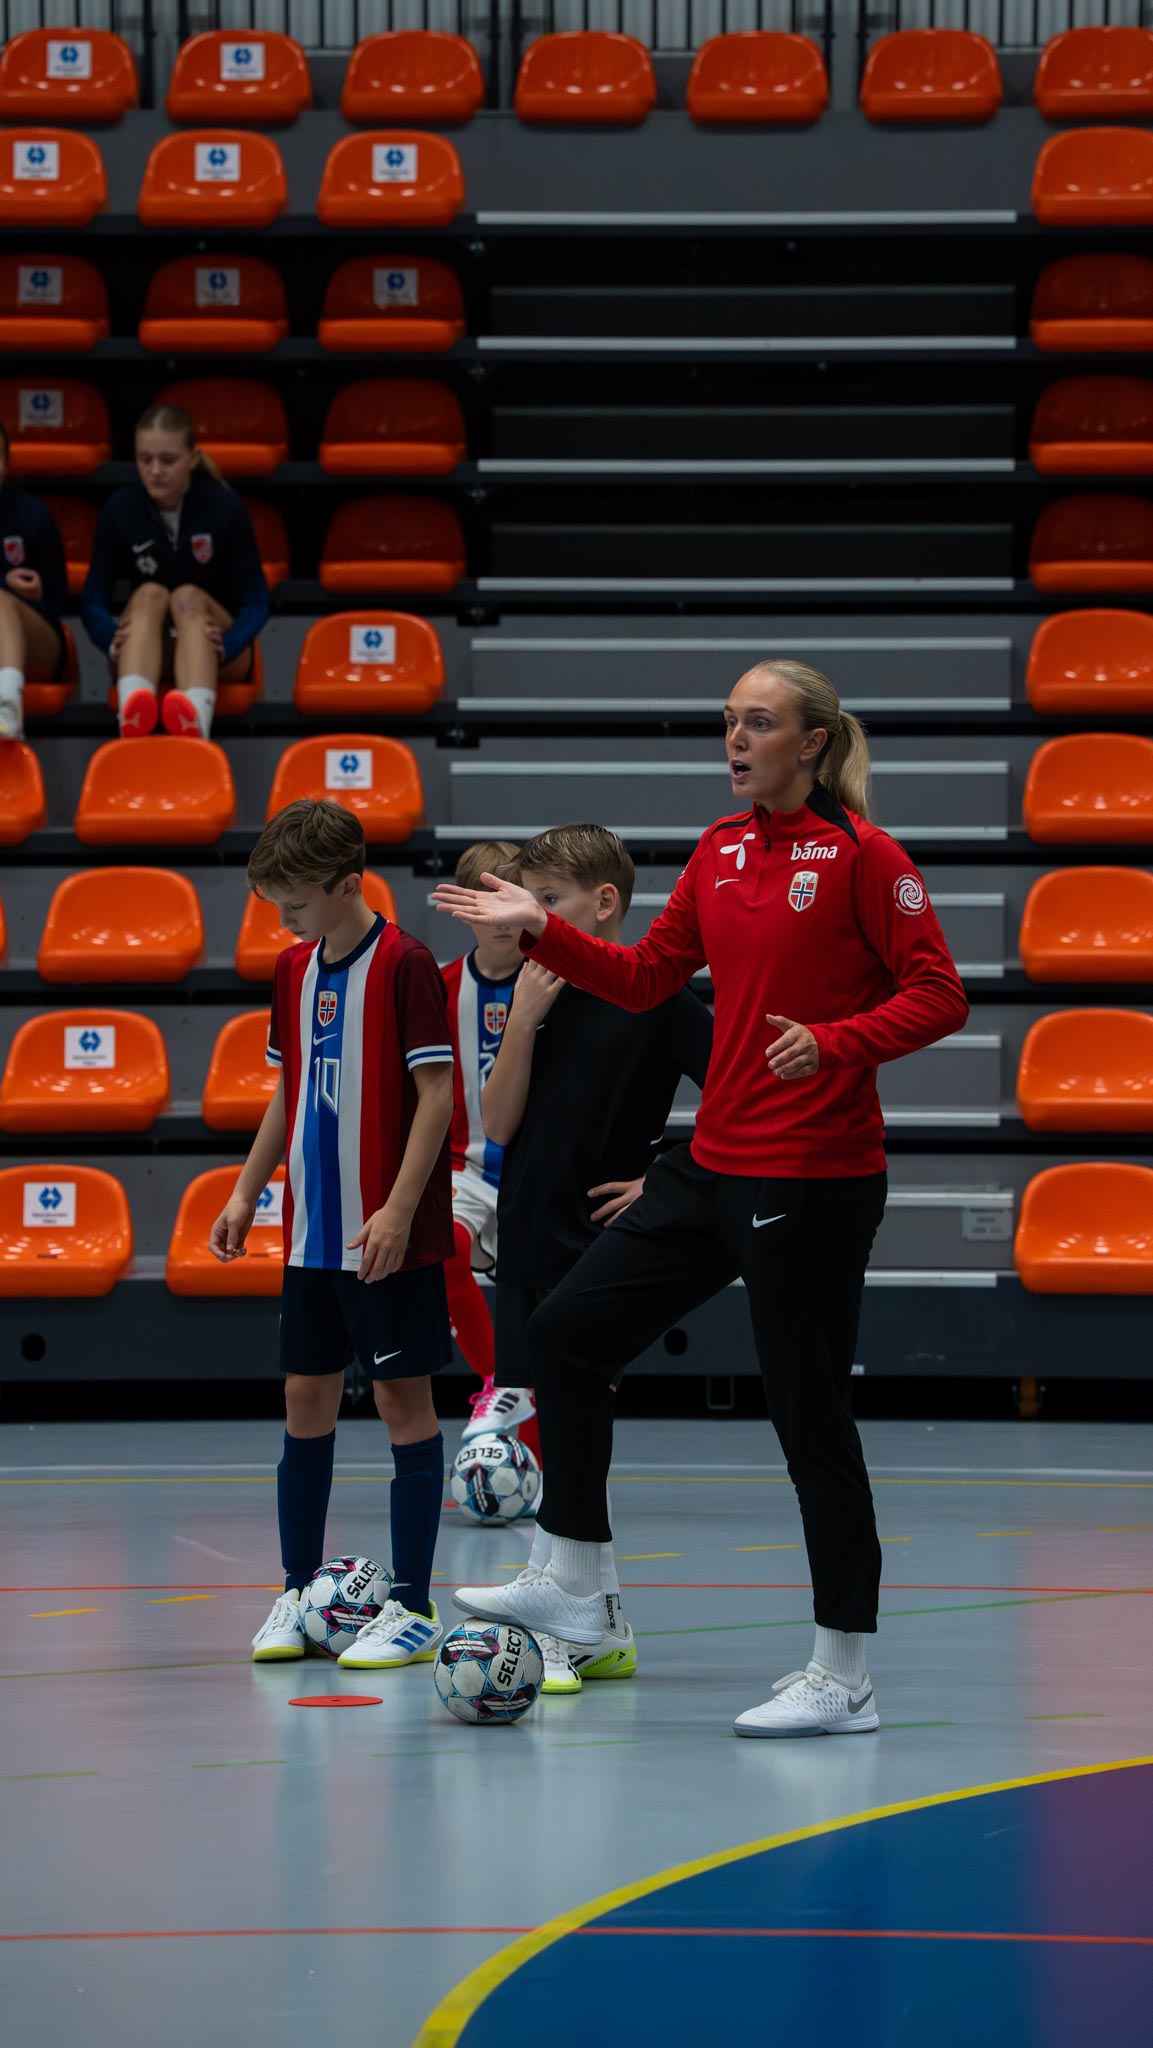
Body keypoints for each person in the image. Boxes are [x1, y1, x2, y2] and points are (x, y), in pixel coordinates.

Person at [433, 660, 969, 1737]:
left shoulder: (865, 858)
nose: (735, 739)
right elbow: (642, 977)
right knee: (566, 1334)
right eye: (729, 721)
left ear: (810, 744)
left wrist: (835, 1042)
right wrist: (540, 928)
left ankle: (843, 1674)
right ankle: (575, 1583)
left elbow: (939, 994)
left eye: (757, 723)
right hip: (712, 1162)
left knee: (809, 1419)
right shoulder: (719, 850)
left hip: (811, 1175)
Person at [210, 798, 456, 1671]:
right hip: (311, 1237)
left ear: (349, 885)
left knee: (400, 1405)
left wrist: (397, 1207)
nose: (284, 919)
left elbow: (437, 1095)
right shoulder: (291, 970)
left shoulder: (406, 964)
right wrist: (247, 1193)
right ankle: (295, 1589)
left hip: (387, 1238)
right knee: (303, 1402)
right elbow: (288, 1091)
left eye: (295, 903)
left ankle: (413, 1604)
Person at [473, 823, 713, 1694]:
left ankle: (587, 1611)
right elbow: (497, 1124)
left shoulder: (658, 996)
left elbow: (734, 1091)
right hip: (527, 1224)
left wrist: (662, 1178)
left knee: (582, 1416)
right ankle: (585, 1611)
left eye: (548, 900)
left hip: (595, 1237)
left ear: (604, 904)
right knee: (557, 1416)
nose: (528, 914)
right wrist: (522, 1021)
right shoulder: (534, 986)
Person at [82, 401, 269, 740]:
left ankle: (195, 724)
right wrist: (108, 637)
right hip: (149, 646)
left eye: (167, 460)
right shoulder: (120, 509)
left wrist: (229, 644)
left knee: (186, 596)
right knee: (149, 593)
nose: (155, 471)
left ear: (192, 458)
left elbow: (257, 599)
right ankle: (132, 717)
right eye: (145, 460)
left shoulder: (224, 507)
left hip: (217, 646)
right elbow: (93, 596)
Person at [438, 839, 537, 1455]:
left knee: (544, 1329)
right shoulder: (438, 987)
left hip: (541, 1177)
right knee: (443, 1245)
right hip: (465, 1170)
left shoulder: (556, 980)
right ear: (461, 907)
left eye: (507, 900)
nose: (497, 918)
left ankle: (548, 1475)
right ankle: (498, 1383)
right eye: (482, 901)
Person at [0, 420, 69, 742]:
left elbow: (59, 601)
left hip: (37, 643)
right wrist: (4, 580)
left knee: (0, 603)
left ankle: (7, 708)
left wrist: (32, 597)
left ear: (6, 463)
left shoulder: (33, 515)